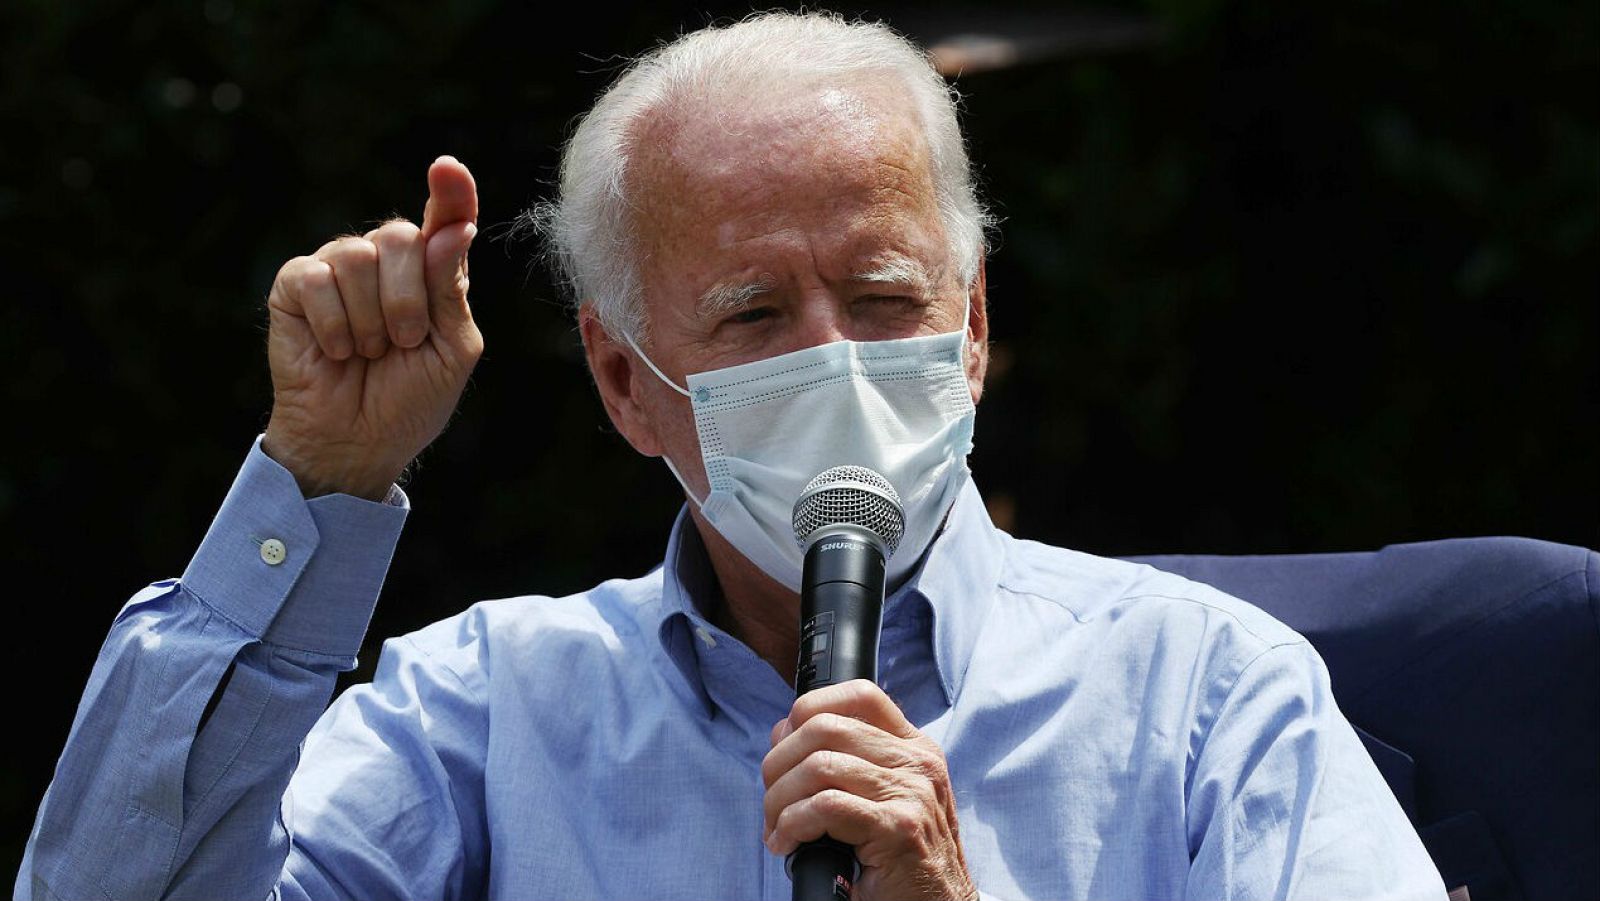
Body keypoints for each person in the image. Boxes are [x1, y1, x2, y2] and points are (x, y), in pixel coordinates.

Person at [17, 12, 1448, 901]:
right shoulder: (483, 714)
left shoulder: (1212, 695)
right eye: (755, 313)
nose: (832, 356)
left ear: (972, 328)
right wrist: (310, 493)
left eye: (886, 299)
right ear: (623, 382)